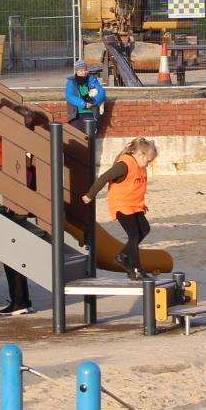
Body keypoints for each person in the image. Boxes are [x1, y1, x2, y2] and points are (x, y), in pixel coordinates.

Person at [81, 137, 159, 275]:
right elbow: (104, 177)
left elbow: (135, 186)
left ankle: (123, 256)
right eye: (148, 161)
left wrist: (142, 204)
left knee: (144, 229)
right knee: (134, 235)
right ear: (140, 154)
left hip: (135, 205)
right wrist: (90, 195)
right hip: (121, 205)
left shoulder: (140, 164)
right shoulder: (124, 165)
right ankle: (135, 269)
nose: (147, 165)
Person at [64, 61, 106, 131]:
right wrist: (83, 104)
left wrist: (93, 102)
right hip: (76, 114)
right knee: (78, 135)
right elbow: (69, 95)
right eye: (81, 70)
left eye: (85, 70)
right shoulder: (71, 81)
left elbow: (101, 93)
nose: (84, 72)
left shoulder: (92, 79)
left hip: (91, 112)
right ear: (76, 71)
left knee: (91, 135)